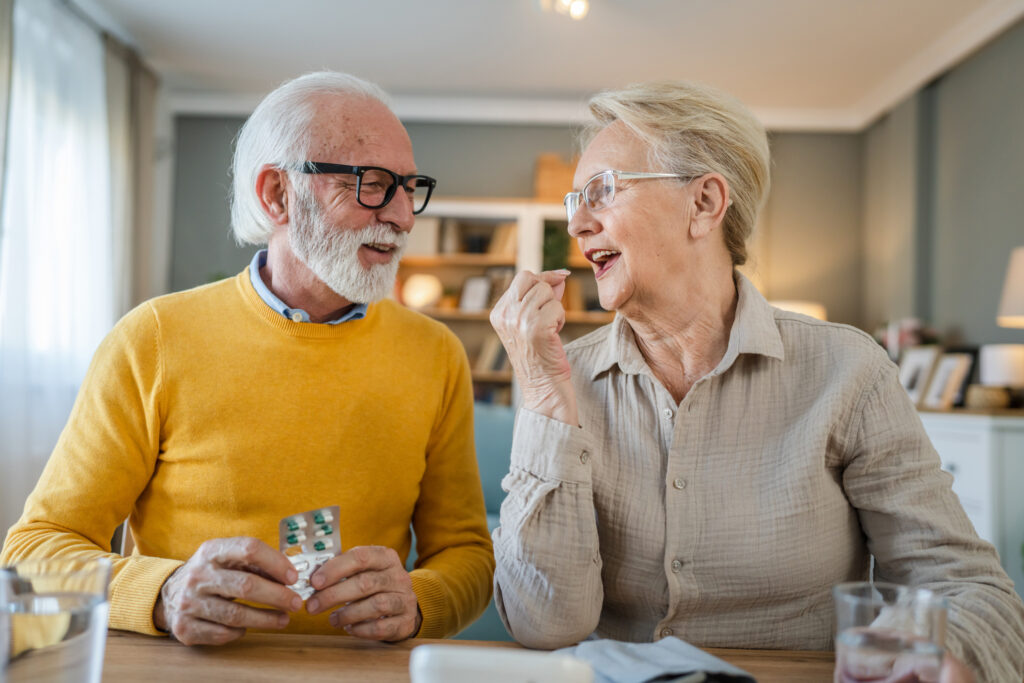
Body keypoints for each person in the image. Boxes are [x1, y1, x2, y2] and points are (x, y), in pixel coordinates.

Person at [488, 80, 1024, 681]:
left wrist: (949, 650)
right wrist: (540, 393)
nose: (578, 224)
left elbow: (964, 584)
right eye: (573, 201)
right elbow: (544, 624)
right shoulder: (562, 376)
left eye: (601, 192)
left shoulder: (849, 370)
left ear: (704, 204)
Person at [1, 71, 494, 646]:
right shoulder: (153, 339)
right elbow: (35, 550)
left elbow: (466, 554)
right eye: (374, 184)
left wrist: (419, 600)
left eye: (410, 187)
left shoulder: (435, 354)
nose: (405, 216)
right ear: (277, 194)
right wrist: (164, 591)